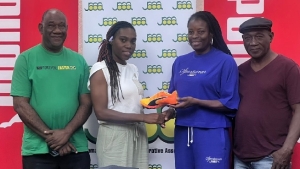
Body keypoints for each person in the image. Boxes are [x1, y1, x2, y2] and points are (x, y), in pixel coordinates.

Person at [10, 9, 92, 169]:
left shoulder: (79, 61)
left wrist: (66, 133)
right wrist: (55, 139)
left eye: (62, 26)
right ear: (41, 28)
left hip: (76, 149)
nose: (57, 30)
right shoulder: (25, 59)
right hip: (37, 152)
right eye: (51, 25)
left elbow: (87, 103)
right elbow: (20, 104)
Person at [162, 11, 240, 169]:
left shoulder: (225, 61)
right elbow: (174, 98)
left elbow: (230, 103)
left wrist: (196, 102)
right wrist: (169, 112)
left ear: (211, 33)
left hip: (212, 132)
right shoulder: (180, 62)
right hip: (183, 131)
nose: (194, 36)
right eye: (191, 32)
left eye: (200, 31)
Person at [88, 21, 165, 168]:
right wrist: (143, 118)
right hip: (114, 137)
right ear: (111, 41)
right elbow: (101, 113)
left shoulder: (133, 69)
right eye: (123, 40)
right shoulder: (100, 69)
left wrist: (158, 106)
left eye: (133, 41)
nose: (129, 45)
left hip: (138, 135)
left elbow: (128, 103)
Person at [233, 17, 300, 169]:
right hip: (240, 157)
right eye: (247, 38)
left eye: (259, 36)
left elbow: (299, 109)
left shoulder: (287, 68)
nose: (253, 43)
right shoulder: (241, 71)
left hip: (271, 158)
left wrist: (287, 149)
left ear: (271, 37)